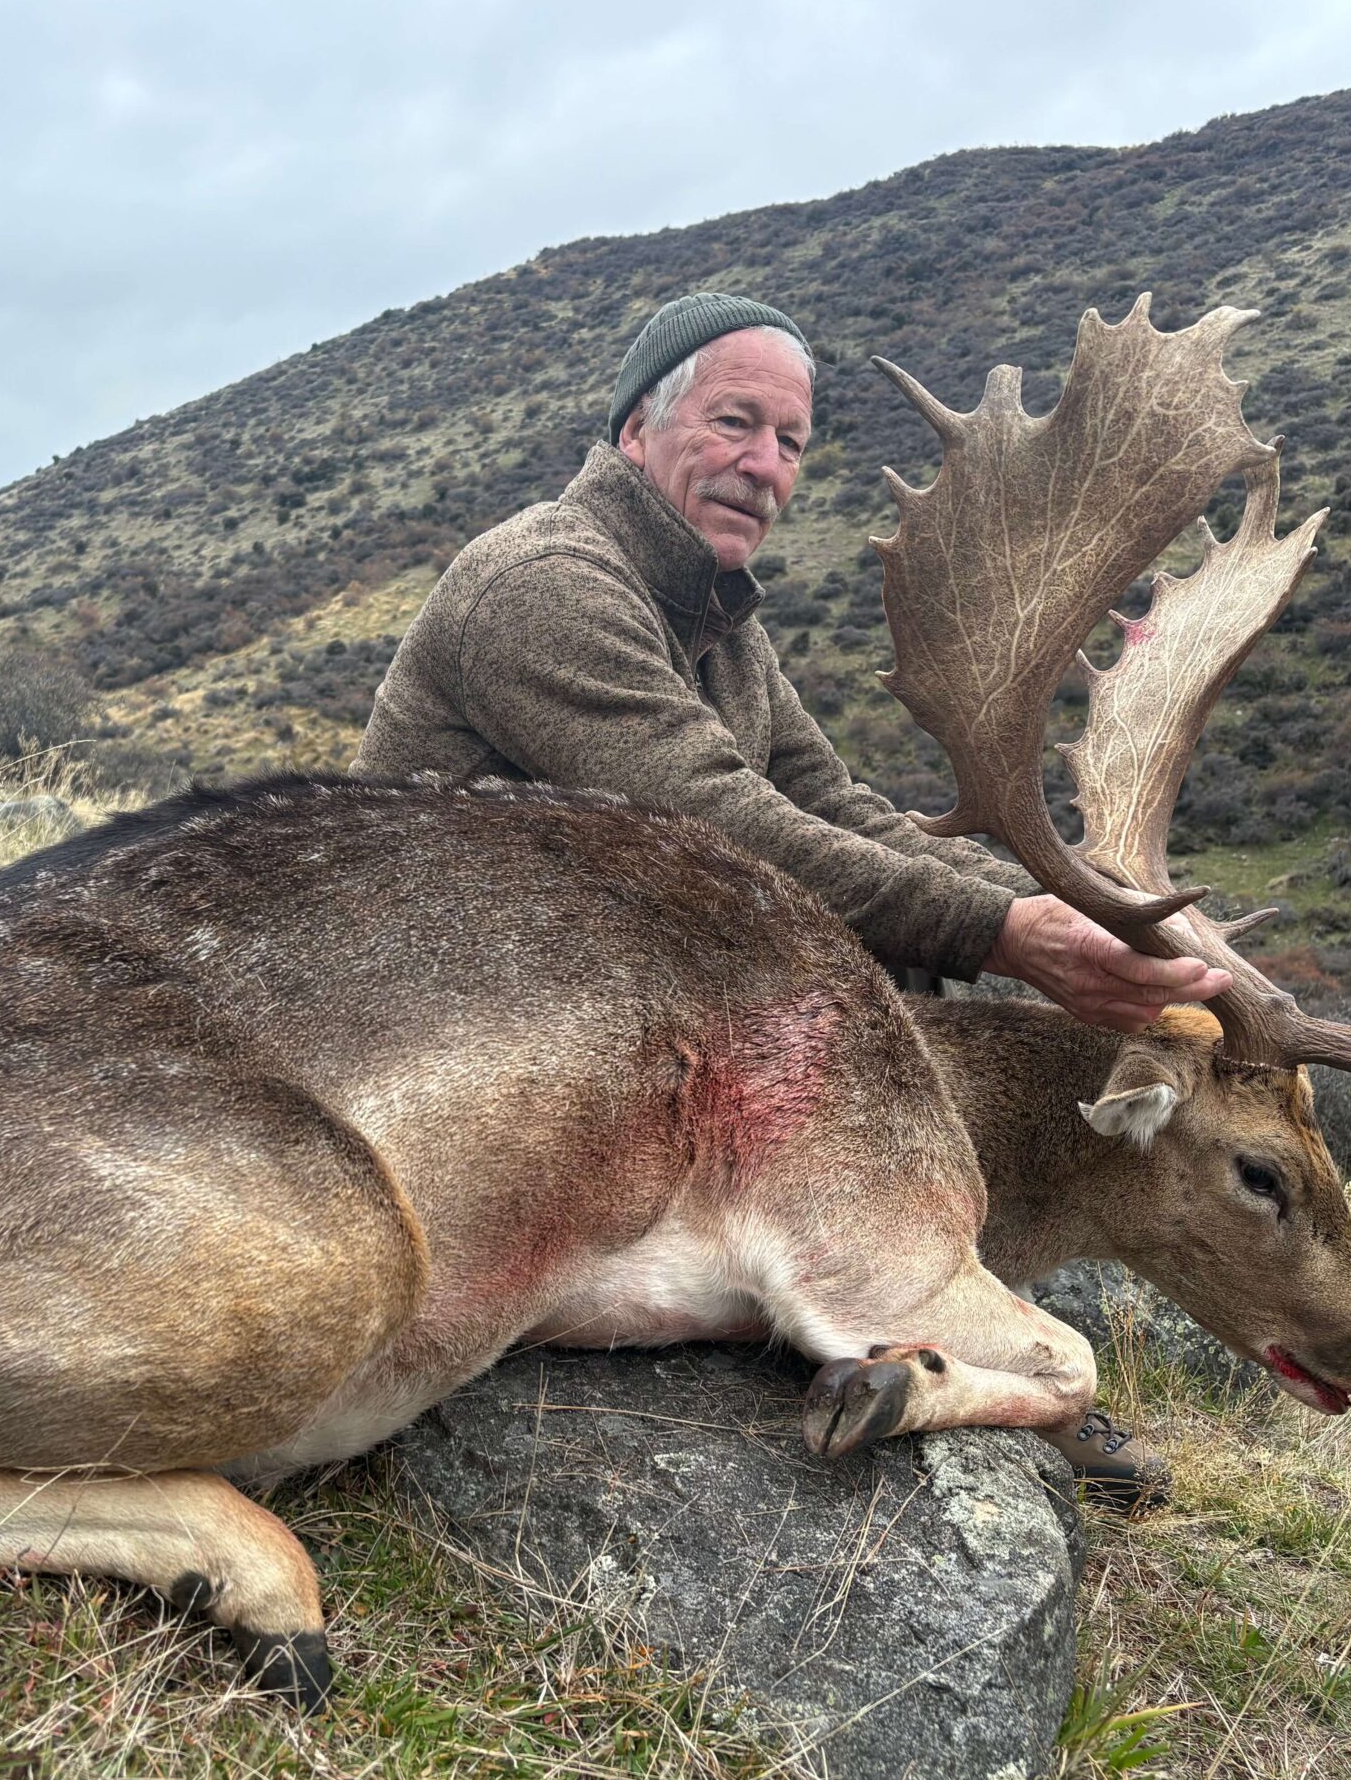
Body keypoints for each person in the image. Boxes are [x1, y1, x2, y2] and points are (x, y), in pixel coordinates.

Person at [355, 293, 1227, 1506]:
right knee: (867, 979)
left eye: (790, 442)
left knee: (894, 959)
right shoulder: (542, 584)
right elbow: (717, 824)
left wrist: (1062, 916)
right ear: (635, 430)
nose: (763, 466)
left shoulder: (717, 617)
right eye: (733, 423)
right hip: (451, 1018)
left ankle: (915, 1316)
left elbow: (830, 800)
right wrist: (999, 934)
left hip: (590, 992)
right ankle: (904, 1314)